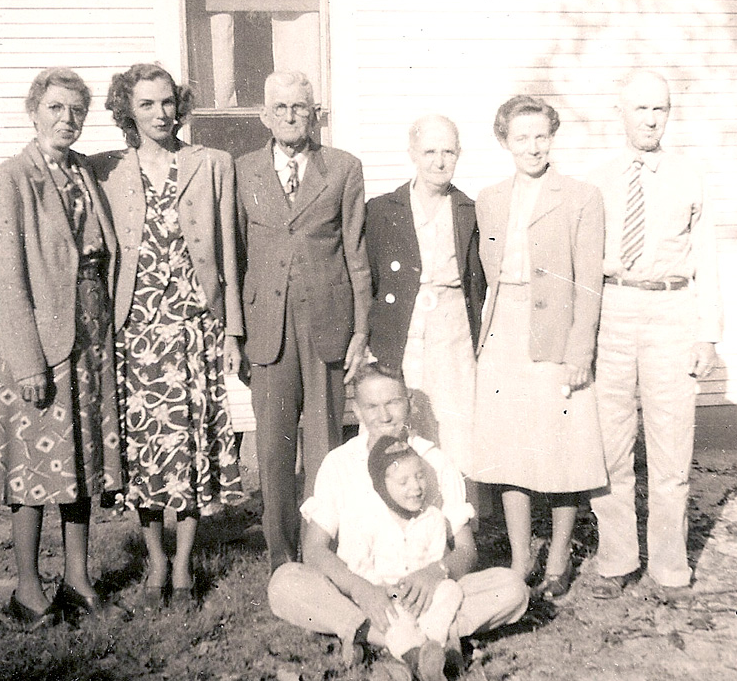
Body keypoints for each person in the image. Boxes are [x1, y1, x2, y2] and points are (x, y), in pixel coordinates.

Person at [91, 63, 245, 608]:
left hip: (194, 325)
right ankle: (154, 559)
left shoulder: (210, 163)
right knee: (144, 450)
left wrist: (231, 329)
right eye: (148, 105)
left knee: (189, 443)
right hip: (135, 327)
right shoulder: (104, 169)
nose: (161, 113)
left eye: (167, 102)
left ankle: (183, 565)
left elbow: (228, 248)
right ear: (127, 112)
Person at [267, 362, 529, 680]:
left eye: (393, 402)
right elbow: (315, 550)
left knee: (512, 588)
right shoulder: (340, 464)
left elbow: (466, 549)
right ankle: (432, 644)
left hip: (428, 594)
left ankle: (382, 640)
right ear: (358, 410)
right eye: (372, 406)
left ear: (409, 402)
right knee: (284, 583)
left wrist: (436, 572)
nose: (384, 416)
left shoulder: (434, 461)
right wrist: (361, 589)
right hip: (364, 592)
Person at [0, 67, 123, 626]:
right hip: (40, 345)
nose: (68, 120)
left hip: (89, 337)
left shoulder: (84, 173)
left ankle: (77, 577)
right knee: (32, 467)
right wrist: (26, 360)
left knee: (80, 462)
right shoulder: (12, 178)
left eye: (77, 112)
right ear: (34, 110)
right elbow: (6, 277)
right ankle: (27, 588)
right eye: (57, 109)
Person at [586, 70, 722, 607]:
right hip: (614, 309)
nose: (649, 118)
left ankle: (669, 562)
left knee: (671, 448)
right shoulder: (597, 180)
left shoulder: (690, 176)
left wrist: (707, 333)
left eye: (659, 110)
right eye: (640, 109)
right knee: (611, 445)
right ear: (620, 113)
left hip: (671, 309)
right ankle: (618, 556)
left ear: (669, 114)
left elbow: (707, 259)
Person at [470, 95, 607, 601]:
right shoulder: (489, 198)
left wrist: (580, 350)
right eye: (521, 137)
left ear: (553, 137)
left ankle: (558, 557)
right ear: (504, 141)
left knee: (561, 445)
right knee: (511, 446)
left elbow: (589, 281)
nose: (533, 146)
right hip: (505, 328)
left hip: (557, 331)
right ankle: (520, 555)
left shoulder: (580, 196)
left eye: (541, 136)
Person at [236, 71, 371, 572]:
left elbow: (356, 252)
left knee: (324, 444)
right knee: (273, 444)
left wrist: (361, 329)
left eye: (301, 107)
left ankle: (322, 553)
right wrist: (235, 330)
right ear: (265, 115)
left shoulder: (343, 168)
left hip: (327, 323)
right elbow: (235, 257)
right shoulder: (243, 171)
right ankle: (281, 556)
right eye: (282, 107)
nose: (292, 116)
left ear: (314, 113)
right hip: (266, 325)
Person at [365, 114, 485, 487]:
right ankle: (400, 505)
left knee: (456, 420)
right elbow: (369, 278)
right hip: (403, 325)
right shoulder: (384, 210)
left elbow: (477, 281)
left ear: (459, 154)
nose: (439, 160)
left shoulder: (469, 210)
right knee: (405, 416)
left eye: (448, 151)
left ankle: (458, 516)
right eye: (430, 151)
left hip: (453, 328)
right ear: (413, 153)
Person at [357, 434, 464, 681]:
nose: (415, 487)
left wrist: (428, 585)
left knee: (451, 590)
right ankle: (420, 658)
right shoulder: (370, 521)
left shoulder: (433, 519)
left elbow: (435, 564)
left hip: (423, 597)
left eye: (419, 476)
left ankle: (430, 648)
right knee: (392, 621)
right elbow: (359, 565)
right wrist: (383, 589)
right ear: (381, 486)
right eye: (403, 481)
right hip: (388, 595)